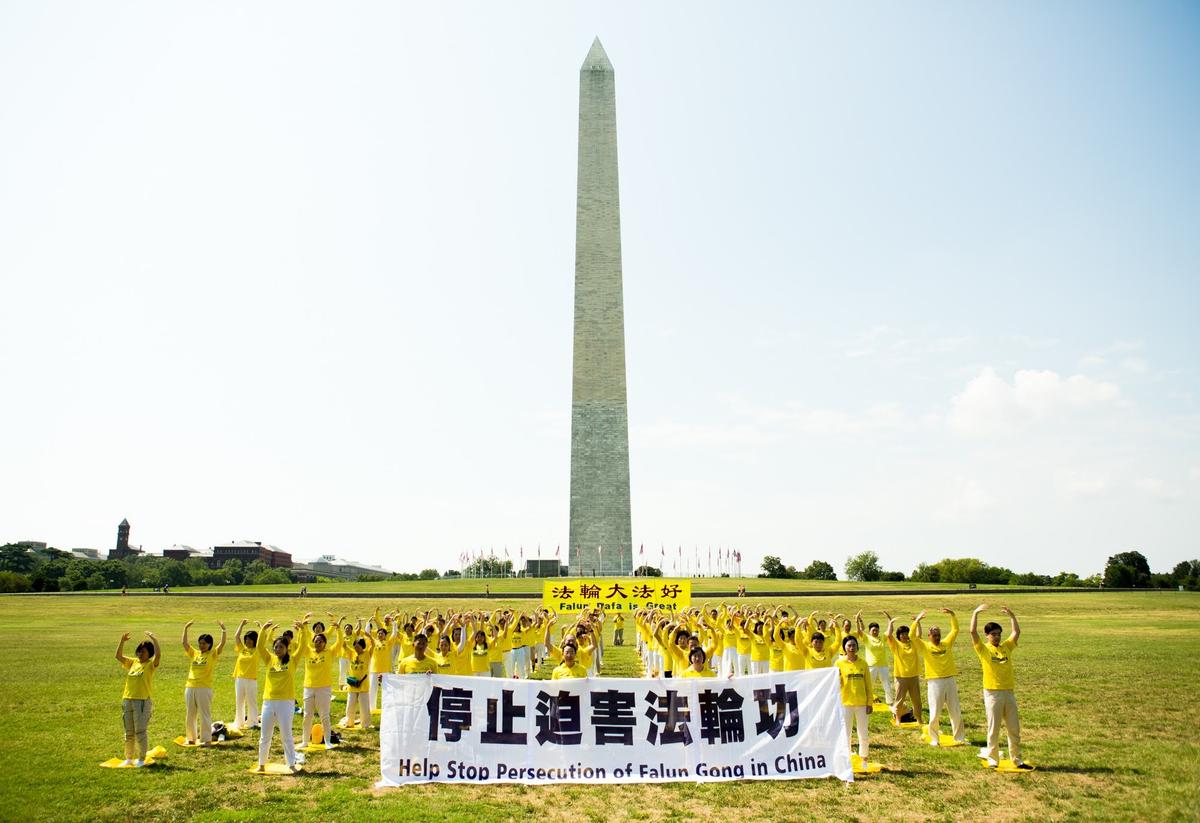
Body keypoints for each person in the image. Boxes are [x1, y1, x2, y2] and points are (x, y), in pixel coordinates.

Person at [971, 604, 1031, 769]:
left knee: (1013, 728)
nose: (997, 637)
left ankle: (1017, 759)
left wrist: (1012, 616)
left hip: (1008, 692)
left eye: (998, 634)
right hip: (992, 693)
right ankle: (993, 759)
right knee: (994, 728)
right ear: (987, 635)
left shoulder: (1006, 647)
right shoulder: (983, 649)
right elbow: (972, 633)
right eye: (993, 634)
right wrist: (975, 613)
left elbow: (1016, 633)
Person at [912, 608, 966, 746]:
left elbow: (955, 631)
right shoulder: (925, 647)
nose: (937, 637)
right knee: (935, 711)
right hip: (935, 682)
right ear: (929, 635)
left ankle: (959, 737)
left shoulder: (946, 644)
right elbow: (913, 637)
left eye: (938, 635)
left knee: (955, 710)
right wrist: (917, 620)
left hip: (950, 680)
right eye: (934, 635)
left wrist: (952, 615)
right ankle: (935, 739)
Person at [256, 621, 303, 772]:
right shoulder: (269, 659)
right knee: (265, 735)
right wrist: (263, 629)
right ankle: (261, 764)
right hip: (269, 701)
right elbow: (259, 647)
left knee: (286, 735)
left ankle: (291, 764)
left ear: (287, 648)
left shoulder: (293, 660)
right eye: (275, 647)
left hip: (286, 702)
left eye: (281, 647)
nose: (277, 649)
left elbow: (303, 646)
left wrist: (303, 630)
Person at [115, 630, 161, 767]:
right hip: (127, 699)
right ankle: (129, 758)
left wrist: (154, 640)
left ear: (149, 654)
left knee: (140, 731)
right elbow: (118, 656)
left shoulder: (150, 665)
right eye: (139, 651)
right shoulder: (133, 662)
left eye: (144, 652)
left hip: (142, 701)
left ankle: (141, 759)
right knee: (129, 732)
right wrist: (122, 641)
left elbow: (158, 655)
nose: (140, 654)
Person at [299, 613, 342, 750]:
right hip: (309, 687)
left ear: (325, 643)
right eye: (316, 641)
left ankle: (328, 741)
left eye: (320, 641)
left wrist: (338, 629)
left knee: (324, 716)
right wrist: (303, 627)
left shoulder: (329, 652)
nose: (317, 643)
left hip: (323, 688)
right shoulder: (308, 651)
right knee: (307, 716)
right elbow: (302, 642)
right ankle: (305, 741)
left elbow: (339, 643)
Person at [181, 619, 226, 745]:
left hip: (204, 688)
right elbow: (184, 643)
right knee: (190, 714)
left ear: (210, 644)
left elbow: (222, 644)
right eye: (200, 643)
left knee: (204, 714)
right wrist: (186, 628)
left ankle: (206, 739)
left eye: (205, 643)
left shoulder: (212, 654)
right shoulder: (194, 653)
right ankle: (191, 738)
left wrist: (223, 630)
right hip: (190, 686)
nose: (202, 646)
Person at [836, 635, 872, 764]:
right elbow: (836, 684)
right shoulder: (839, 663)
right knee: (846, 733)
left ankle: (864, 758)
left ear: (857, 647)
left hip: (861, 703)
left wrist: (869, 702)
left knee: (863, 732)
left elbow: (868, 685)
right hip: (845, 703)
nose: (851, 648)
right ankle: (845, 758)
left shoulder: (863, 663)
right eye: (849, 646)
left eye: (853, 645)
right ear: (844, 648)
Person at [885, 611, 922, 723]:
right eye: (902, 634)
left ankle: (919, 719)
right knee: (899, 700)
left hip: (913, 676)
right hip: (901, 677)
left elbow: (919, 635)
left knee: (917, 700)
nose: (905, 635)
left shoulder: (913, 643)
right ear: (899, 636)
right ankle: (898, 719)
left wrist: (918, 622)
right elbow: (889, 635)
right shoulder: (896, 645)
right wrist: (890, 623)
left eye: (906, 633)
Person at [854, 612, 894, 708]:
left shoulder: (882, 637)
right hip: (871, 665)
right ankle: (866, 700)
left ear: (878, 630)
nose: (875, 632)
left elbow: (889, 632)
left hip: (883, 665)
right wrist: (857, 620)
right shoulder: (867, 638)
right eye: (873, 630)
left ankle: (890, 702)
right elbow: (859, 631)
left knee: (887, 684)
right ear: (869, 631)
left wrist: (889, 619)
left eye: (876, 630)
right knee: (868, 684)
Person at [342, 624, 374, 730]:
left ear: (362, 646)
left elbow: (373, 645)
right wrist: (341, 634)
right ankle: (349, 722)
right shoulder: (352, 653)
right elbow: (343, 645)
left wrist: (369, 636)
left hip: (363, 684)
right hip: (352, 684)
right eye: (355, 645)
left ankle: (366, 724)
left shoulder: (367, 654)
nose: (356, 647)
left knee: (364, 706)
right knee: (350, 705)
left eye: (358, 646)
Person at [231, 620, 260, 730]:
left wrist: (261, 627)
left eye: (250, 639)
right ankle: (239, 722)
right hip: (239, 678)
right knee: (239, 701)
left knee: (251, 701)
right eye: (246, 639)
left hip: (251, 679)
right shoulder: (242, 649)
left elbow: (263, 639)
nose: (248, 641)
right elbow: (236, 636)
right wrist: (241, 624)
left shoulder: (257, 650)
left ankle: (253, 722)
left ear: (254, 641)